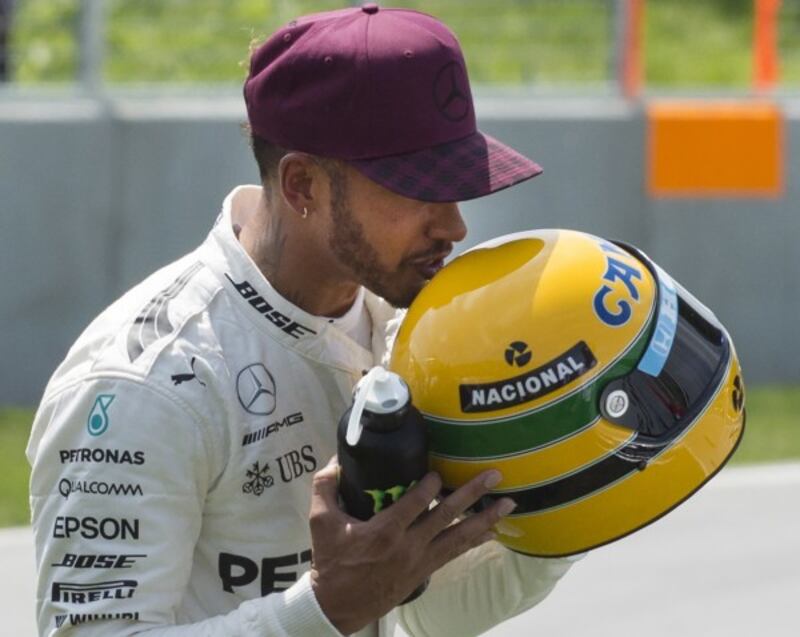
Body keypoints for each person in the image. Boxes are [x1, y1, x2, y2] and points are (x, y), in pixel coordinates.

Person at [27, 5, 576, 636]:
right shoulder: (144, 384)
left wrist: (567, 508)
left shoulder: (418, 330)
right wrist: (323, 609)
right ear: (302, 186)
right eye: (417, 191)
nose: (454, 227)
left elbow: (419, 616)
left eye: (456, 186)